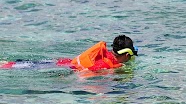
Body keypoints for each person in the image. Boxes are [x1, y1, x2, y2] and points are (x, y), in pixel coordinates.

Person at [1, 35, 138, 72]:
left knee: (29, 64)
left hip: (64, 62)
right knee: (28, 67)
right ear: (127, 54)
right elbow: (85, 73)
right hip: (67, 67)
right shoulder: (106, 64)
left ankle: (6, 64)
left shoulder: (106, 55)